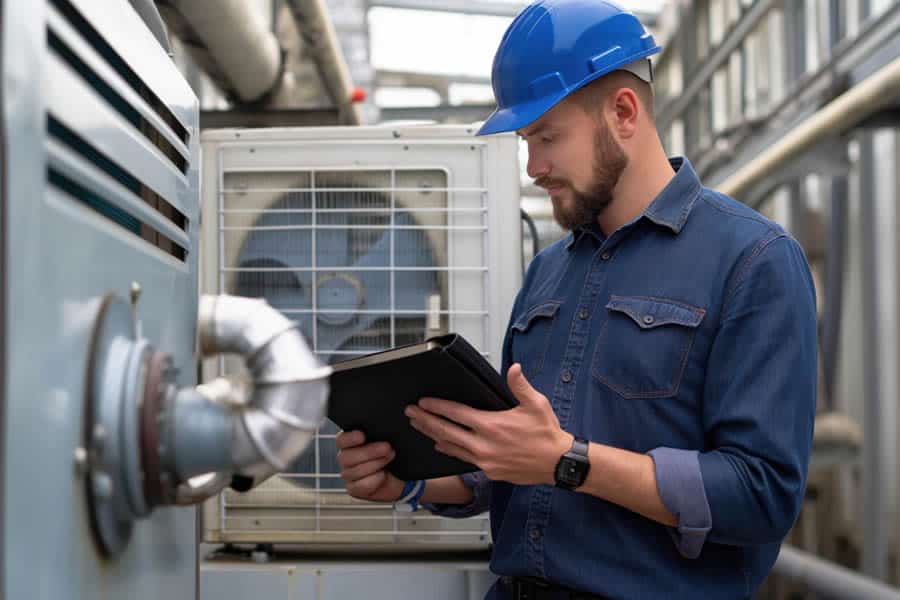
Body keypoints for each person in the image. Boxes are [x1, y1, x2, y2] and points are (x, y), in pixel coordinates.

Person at [336, 1, 817, 598]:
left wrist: (571, 461)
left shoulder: (754, 260)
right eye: (525, 140)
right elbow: (508, 470)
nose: (534, 166)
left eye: (547, 136)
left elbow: (761, 495)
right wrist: (409, 484)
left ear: (622, 112)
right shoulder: (547, 273)